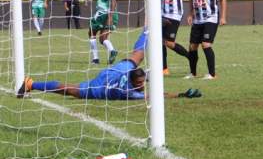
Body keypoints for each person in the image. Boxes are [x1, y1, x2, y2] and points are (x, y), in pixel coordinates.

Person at [17, 30, 201, 100]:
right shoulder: (129, 93)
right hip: (99, 87)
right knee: (70, 90)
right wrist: (180, 95)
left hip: (116, 71)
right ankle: (31, 84)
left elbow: (137, 59)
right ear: (136, 84)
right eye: (141, 83)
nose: (143, 84)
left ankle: (147, 31)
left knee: (136, 56)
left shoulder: (130, 73)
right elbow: (155, 96)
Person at [186, 0, 226, 79]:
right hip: (198, 19)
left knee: (205, 44)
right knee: (192, 46)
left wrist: (223, 17)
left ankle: (212, 74)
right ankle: (193, 73)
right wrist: (190, 14)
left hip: (211, 18)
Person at [161, 0, 190, 76]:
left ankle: (190, 56)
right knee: (160, 42)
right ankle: (164, 69)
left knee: (169, 43)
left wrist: (192, 13)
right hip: (161, 15)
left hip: (174, 15)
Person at [85, 0, 118, 65]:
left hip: (103, 13)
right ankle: (112, 50)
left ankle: (95, 59)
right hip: (112, 13)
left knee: (91, 33)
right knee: (102, 39)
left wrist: (110, 17)